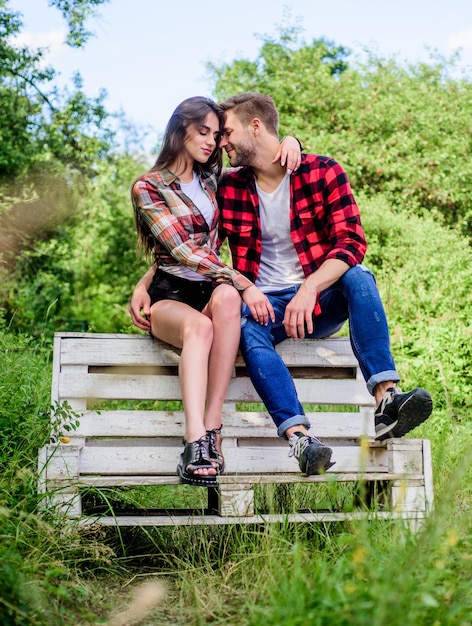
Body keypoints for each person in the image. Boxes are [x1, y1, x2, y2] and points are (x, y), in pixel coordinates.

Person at [212, 92, 433, 475]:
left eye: (227, 132)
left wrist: (309, 287)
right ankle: (301, 439)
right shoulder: (228, 188)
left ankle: (387, 401)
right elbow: (200, 246)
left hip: (319, 300)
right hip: (267, 307)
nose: (222, 142)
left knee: (359, 275)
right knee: (245, 324)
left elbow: (352, 241)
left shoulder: (322, 171)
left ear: (256, 126)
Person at [130, 96, 301, 486]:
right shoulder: (149, 186)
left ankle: (212, 428)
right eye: (203, 132)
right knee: (201, 327)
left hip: (209, 288)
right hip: (169, 295)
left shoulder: (212, 180)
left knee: (225, 298)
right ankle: (193, 442)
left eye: (217, 134)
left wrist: (291, 140)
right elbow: (180, 250)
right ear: (180, 131)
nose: (212, 142)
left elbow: (262, 157)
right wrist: (243, 282)